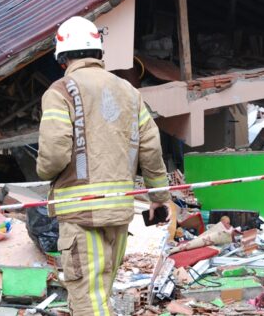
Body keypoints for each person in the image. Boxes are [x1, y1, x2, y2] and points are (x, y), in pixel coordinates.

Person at [36, 16, 171, 316]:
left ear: (62, 58)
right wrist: (159, 198)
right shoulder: (129, 92)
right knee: (101, 295)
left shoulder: (60, 92)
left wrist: (44, 172)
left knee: (88, 300)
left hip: (80, 214)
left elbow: (54, 154)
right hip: (119, 214)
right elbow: (151, 149)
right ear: (98, 53)